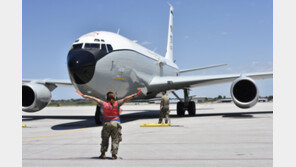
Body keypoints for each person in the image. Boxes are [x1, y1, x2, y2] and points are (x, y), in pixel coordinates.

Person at [79, 91, 138, 159]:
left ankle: (103, 154)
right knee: (115, 139)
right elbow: (125, 99)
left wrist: (86, 96)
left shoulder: (104, 104)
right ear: (114, 97)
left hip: (106, 124)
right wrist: (134, 95)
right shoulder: (117, 103)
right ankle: (114, 154)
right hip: (116, 123)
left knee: (105, 139)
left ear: (107, 98)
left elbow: (94, 99)